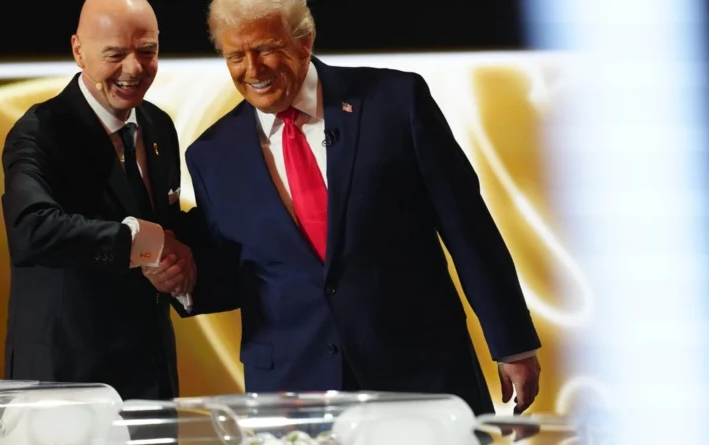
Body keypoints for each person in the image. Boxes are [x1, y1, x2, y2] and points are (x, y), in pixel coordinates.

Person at [151, 0, 542, 416]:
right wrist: (184, 281)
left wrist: (512, 344)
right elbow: (238, 274)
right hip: (293, 389)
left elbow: (468, 229)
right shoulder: (212, 155)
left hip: (418, 370)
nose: (252, 69)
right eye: (235, 56)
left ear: (304, 41)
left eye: (266, 49)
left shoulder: (395, 102)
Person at [0, 0, 198, 401]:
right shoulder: (40, 131)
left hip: (150, 379)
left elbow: (168, 229)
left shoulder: (159, 125)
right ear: (79, 51)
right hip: (65, 383)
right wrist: (143, 244)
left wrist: (181, 268)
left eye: (147, 51)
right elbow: (31, 229)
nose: (134, 68)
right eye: (115, 54)